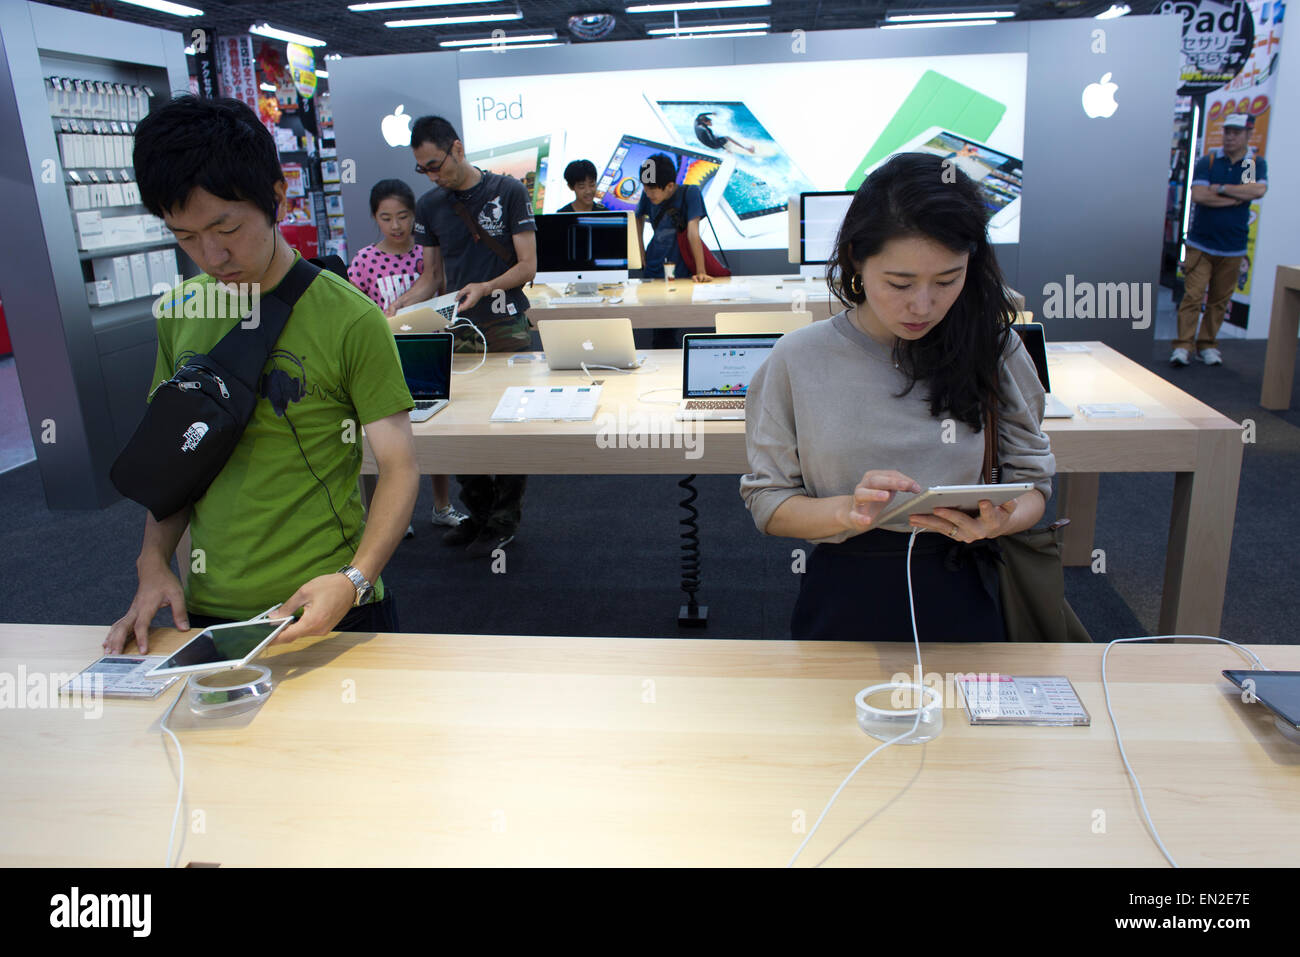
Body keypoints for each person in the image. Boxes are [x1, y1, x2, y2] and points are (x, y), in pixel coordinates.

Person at [105, 96, 419, 654]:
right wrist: (152, 563)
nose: (212, 255)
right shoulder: (179, 313)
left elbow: (399, 467)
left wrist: (354, 579)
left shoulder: (350, 318)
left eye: (226, 227)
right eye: (184, 237)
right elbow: (177, 462)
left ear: (277, 196)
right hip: (206, 612)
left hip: (331, 604)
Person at [739, 152, 1055, 642]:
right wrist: (849, 511)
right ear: (856, 260)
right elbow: (769, 502)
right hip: (846, 587)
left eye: (948, 280)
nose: (923, 305)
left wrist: (1002, 520)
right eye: (899, 283)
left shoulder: (994, 349)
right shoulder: (798, 358)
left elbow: (1034, 486)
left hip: (965, 582)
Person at [387, 115, 537, 558]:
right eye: (423, 169)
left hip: (505, 324)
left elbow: (528, 265)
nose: (433, 176)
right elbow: (431, 277)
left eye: (435, 165)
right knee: (457, 423)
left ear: (457, 148)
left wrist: (487, 286)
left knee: (510, 425)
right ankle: (481, 512)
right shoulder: (431, 205)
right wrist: (400, 307)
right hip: (457, 331)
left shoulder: (508, 191)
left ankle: (504, 519)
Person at [348, 178, 468, 536]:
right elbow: (354, 307)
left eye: (403, 216)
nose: (396, 225)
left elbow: (443, 298)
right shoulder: (364, 260)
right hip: (385, 359)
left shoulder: (425, 256)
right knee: (389, 437)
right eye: (386, 218)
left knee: (435, 430)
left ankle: (442, 505)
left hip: (428, 352)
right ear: (375, 218)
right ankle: (392, 515)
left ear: (414, 216)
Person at [1172, 113, 1268, 367]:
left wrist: (1222, 189)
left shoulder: (1250, 164)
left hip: (1233, 246)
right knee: (1193, 296)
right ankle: (1183, 345)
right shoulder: (1210, 160)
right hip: (1201, 243)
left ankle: (1207, 345)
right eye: (1227, 131)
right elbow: (1199, 195)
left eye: (1236, 132)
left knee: (1219, 300)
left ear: (1248, 134)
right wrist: (1235, 199)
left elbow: (1255, 190)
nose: (1230, 137)